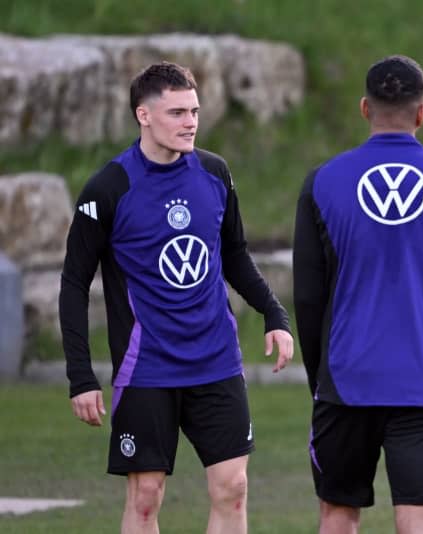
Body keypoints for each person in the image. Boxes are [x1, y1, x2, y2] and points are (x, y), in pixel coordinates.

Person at [59, 61, 294, 534]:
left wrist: (273, 313)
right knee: (145, 498)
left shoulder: (214, 173)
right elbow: (73, 284)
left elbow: (235, 256)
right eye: (177, 112)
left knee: (233, 487)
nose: (190, 122)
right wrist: (81, 376)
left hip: (216, 359)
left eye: (195, 111)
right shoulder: (109, 188)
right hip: (147, 366)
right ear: (144, 116)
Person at [292, 55, 423, 534]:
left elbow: (307, 298)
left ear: (365, 108)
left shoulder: (322, 182)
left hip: (344, 382)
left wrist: (319, 377)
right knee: (419, 520)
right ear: (422, 113)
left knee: (338, 516)